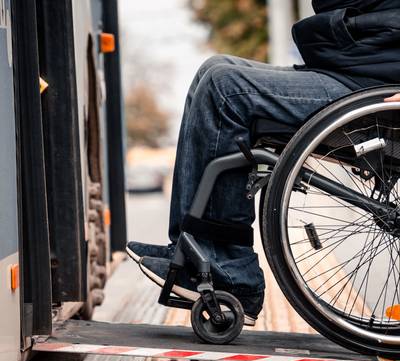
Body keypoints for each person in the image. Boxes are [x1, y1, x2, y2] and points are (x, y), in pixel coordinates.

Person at [127, 0, 400, 325]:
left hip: (373, 87)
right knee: (212, 69)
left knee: (224, 89)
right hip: (355, 69)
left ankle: (229, 273)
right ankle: (189, 251)